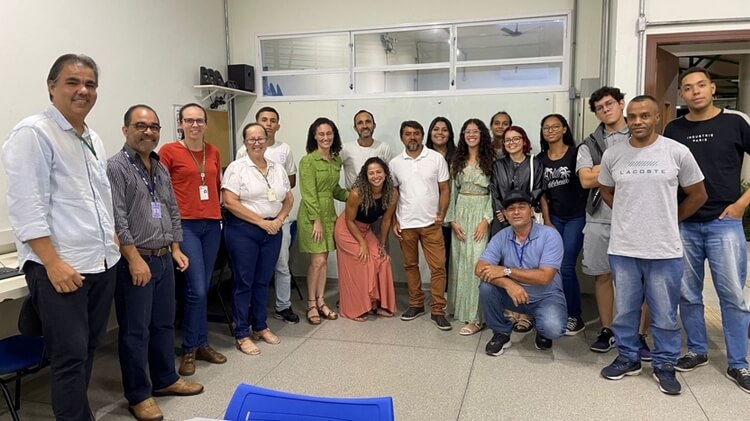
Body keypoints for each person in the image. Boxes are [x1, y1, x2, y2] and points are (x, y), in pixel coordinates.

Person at [1, 54, 120, 421]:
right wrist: (51, 263)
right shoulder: (33, 133)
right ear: (52, 87)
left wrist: (112, 235)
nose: (83, 90)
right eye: (72, 82)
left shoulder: (92, 138)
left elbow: (97, 196)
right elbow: (26, 206)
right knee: (69, 358)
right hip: (62, 265)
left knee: (87, 349)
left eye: (90, 84)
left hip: (100, 261)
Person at [598, 95, 706, 396]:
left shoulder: (676, 152)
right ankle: (629, 358)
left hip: (663, 249)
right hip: (624, 248)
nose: (637, 122)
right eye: (632, 117)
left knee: (664, 314)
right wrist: (626, 213)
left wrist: (671, 219)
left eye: (644, 116)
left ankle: (664, 364)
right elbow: (606, 189)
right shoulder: (614, 155)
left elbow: (698, 194)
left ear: (657, 117)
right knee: (625, 311)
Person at [108, 105, 204, 420]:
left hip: (163, 258)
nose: (148, 132)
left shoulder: (160, 167)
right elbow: (117, 219)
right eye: (141, 126)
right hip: (136, 262)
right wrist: (134, 259)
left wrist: (176, 248)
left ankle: (165, 379)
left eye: (154, 127)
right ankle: (138, 394)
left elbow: (171, 208)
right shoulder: (115, 168)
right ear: (126, 130)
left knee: (163, 324)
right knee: (136, 331)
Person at [664, 67, 750, 393]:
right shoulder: (674, 128)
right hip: (685, 224)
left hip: (724, 223)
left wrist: (742, 204)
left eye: (701, 85)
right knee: (687, 293)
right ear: (682, 95)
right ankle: (698, 350)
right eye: (688, 87)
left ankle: (739, 363)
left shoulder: (735, 122)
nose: (695, 91)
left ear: (713, 88)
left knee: (732, 295)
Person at [159, 103, 226, 377]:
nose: (195, 125)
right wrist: (172, 238)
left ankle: (201, 344)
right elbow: (161, 192)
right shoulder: (168, 152)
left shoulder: (213, 152)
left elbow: (214, 186)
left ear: (206, 124)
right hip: (184, 226)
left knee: (205, 286)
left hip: (211, 225)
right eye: (189, 120)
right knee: (196, 289)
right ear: (180, 124)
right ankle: (189, 348)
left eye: (199, 120)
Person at [223, 123, 293, 355]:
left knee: (263, 281)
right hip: (244, 231)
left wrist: (280, 219)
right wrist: (260, 221)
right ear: (245, 142)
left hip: (272, 230)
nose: (257, 142)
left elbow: (288, 198)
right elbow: (229, 201)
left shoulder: (277, 168)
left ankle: (260, 326)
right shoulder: (237, 168)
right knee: (244, 282)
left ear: (267, 139)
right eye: (251, 138)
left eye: (260, 138)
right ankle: (242, 333)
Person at [476, 190, 566, 356]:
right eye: (511, 209)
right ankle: (501, 332)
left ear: (531, 211)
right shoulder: (501, 236)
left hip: (545, 296)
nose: (516, 212)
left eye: (521, 207)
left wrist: (505, 271)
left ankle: (542, 328)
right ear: (505, 214)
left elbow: (545, 276)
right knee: (486, 285)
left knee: (552, 329)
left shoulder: (550, 235)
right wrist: (508, 283)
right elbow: (480, 268)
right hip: (515, 296)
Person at [236, 107, 300, 325]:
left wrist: (272, 191)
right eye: (264, 120)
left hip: (278, 220)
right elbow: (233, 195)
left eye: (273, 120)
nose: (269, 123)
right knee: (252, 273)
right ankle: (250, 315)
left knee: (281, 264)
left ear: (277, 126)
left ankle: (283, 306)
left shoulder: (284, 151)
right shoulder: (242, 154)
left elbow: (290, 183)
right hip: (251, 224)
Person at [390, 120, 452, 331]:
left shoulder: (436, 159)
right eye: (408, 134)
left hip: (431, 224)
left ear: (422, 136)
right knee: (410, 266)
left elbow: (445, 189)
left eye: (416, 133)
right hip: (406, 223)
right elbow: (394, 193)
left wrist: (441, 214)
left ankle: (438, 310)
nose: (412, 137)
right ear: (402, 137)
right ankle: (416, 304)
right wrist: (394, 220)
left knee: (438, 268)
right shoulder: (395, 163)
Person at [489, 125, 547, 333]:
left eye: (515, 139)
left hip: (527, 220)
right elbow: (494, 190)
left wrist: (522, 214)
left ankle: (526, 313)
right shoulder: (498, 165)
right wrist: (501, 213)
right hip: (502, 219)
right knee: (505, 263)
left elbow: (539, 189)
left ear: (524, 141)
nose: (511, 143)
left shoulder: (535, 163)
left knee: (527, 264)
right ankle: (511, 310)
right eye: (507, 140)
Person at [537, 114, 588, 335]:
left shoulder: (577, 153)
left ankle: (575, 316)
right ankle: (557, 310)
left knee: (566, 266)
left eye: (555, 126)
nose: (550, 131)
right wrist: (548, 221)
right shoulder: (540, 159)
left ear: (564, 129)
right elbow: (543, 195)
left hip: (577, 216)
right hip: (554, 217)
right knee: (552, 266)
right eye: (546, 127)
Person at [444, 119, 494, 336]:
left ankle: (477, 317)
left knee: (477, 263)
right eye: (467, 131)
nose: (471, 134)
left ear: (482, 134)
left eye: (476, 131)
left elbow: (495, 192)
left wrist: (486, 219)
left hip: (480, 212)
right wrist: (452, 219)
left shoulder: (491, 160)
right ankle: (459, 308)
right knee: (460, 262)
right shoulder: (458, 159)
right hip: (461, 212)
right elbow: (451, 191)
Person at [298, 117, 349, 324]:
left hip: (330, 215)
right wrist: (316, 220)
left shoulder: (336, 160)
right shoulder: (308, 161)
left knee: (324, 260)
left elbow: (334, 190)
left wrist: (354, 196)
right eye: (321, 134)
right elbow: (309, 194)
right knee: (317, 261)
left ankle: (321, 301)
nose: (325, 137)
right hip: (313, 215)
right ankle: (311, 303)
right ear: (314, 136)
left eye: (329, 134)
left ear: (334, 136)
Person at [334, 157, 398, 321]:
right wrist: (362, 243)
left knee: (383, 260)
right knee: (364, 260)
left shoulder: (392, 193)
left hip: (365, 230)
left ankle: (379, 304)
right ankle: (355, 308)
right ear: (366, 176)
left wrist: (382, 244)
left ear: (385, 173)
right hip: (347, 230)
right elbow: (349, 220)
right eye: (371, 173)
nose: (375, 176)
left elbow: (386, 221)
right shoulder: (357, 193)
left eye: (379, 172)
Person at [426, 116, 457, 282]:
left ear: (450, 134)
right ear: (430, 133)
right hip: (432, 214)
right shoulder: (422, 156)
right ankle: (442, 293)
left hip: (457, 211)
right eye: (436, 129)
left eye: (444, 130)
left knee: (456, 255)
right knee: (439, 257)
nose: (440, 133)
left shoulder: (459, 155)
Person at [340, 110, 394, 188]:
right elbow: (333, 171)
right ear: (355, 128)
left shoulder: (384, 147)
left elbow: (391, 176)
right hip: (355, 198)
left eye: (368, 122)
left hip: (379, 198)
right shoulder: (345, 149)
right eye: (360, 123)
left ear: (374, 125)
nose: (365, 126)